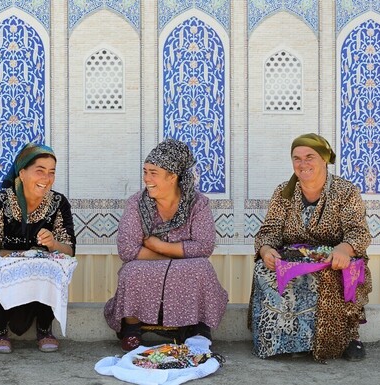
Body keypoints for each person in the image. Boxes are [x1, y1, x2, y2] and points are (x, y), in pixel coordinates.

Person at [249, 133, 372, 362]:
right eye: (297, 158)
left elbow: (359, 232)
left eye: (309, 157)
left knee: (325, 277)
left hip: (335, 259)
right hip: (295, 259)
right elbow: (269, 230)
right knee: (264, 270)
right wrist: (266, 250)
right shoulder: (284, 192)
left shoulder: (345, 192)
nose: (302, 164)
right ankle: (282, 341)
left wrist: (344, 249)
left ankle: (346, 338)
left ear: (324, 159)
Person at [104, 139, 228, 352]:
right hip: (162, 264)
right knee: (132, 271)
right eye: (145, 172)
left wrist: (157, 246)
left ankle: (199, 330)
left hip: (180, 263)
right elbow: (127, 249)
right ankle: (131, 330)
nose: (147, 179)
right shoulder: (137, 203)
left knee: (202, 268)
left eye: (153, 173)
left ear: (172, 176)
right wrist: (175, 257)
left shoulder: (198, 203)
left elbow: (204, 246)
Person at [0, 143, 76, 354]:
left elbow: (69, 250)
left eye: (51, 173)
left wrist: (53, 244)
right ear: (22, 173)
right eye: (39, 171)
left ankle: (44, 328)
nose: (46, 178)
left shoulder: (58, 203)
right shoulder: (0, 202)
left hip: (39, 278)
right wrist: (24, 257)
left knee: (51, 268)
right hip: (6, 275)